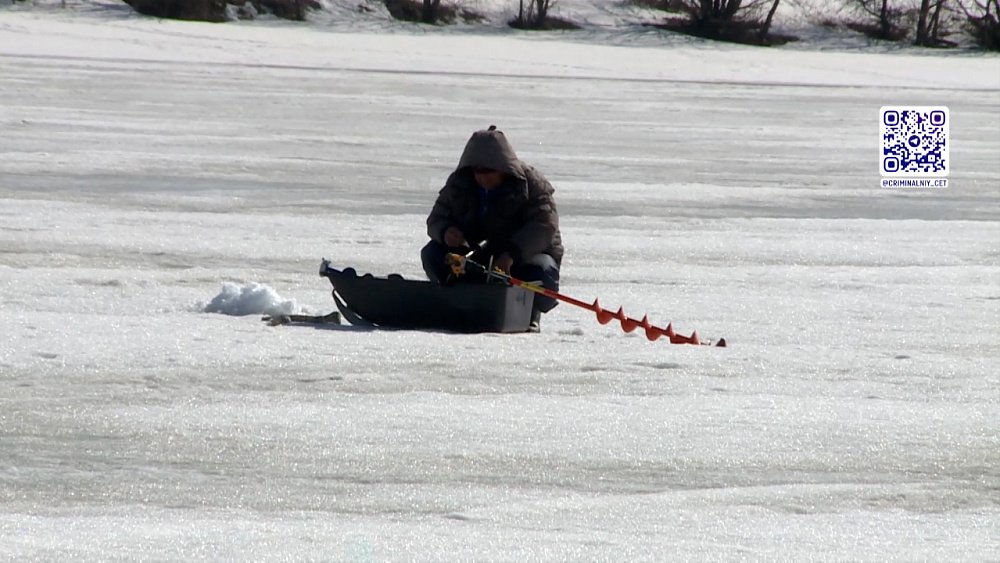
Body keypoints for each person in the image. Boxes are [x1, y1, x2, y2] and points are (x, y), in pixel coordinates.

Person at [421, 126, 563, 332]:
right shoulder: (459, 183)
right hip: (474, 257)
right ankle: (459, 301)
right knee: (432, 253)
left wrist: (512, 254)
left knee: (542, 272)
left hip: (519, 260)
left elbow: (544, 227)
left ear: (503, 168)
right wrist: (446, 231)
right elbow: (436, 218)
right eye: (476, 171)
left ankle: (528, 312)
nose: (481, 177)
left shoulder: (531, 185)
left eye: (488, 171)